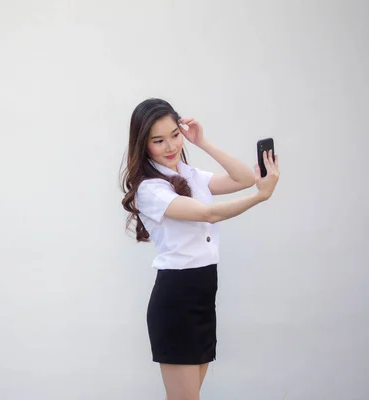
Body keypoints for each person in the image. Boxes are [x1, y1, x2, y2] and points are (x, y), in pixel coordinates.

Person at [120, 98, 279, 400]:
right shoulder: (149, 188)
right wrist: (261, 198)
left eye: (174, 135)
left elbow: (244, 178)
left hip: (203, 293)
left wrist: (202, 142)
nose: (170, 146)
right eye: (158, 140)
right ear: (143, 144)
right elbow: (209, 214)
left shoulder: (188, 174)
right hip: (176, 299)